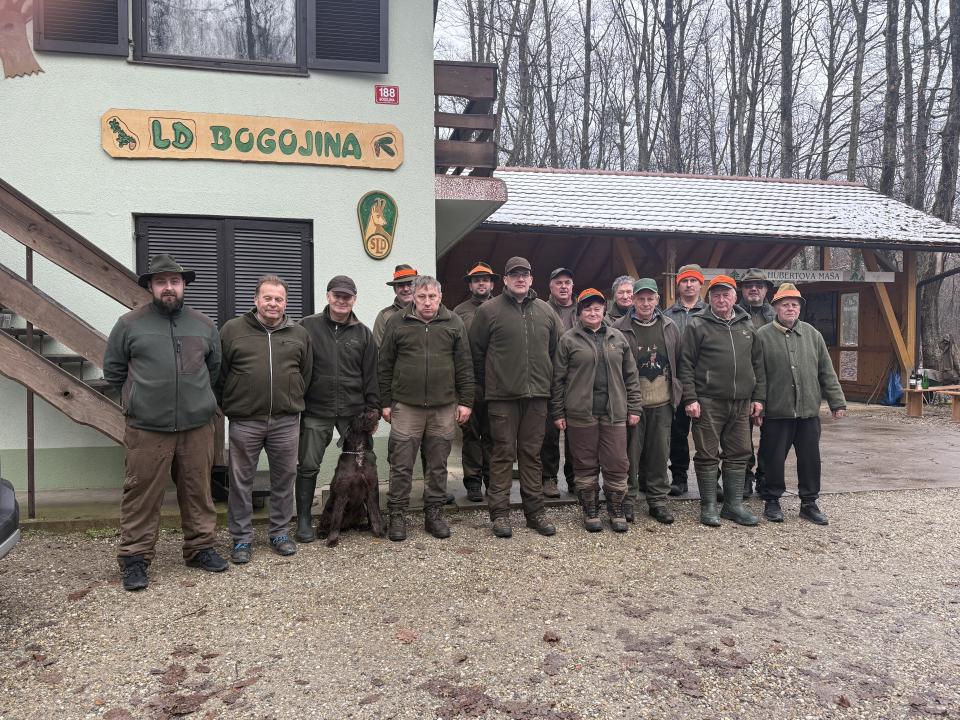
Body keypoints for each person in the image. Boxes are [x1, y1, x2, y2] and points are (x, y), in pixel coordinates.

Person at [104, 253, 227, 591]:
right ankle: (134, 557)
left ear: (184, 285)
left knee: (198, 490)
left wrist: (198, 400)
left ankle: (200, 548)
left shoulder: (204, 325)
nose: (168, 287)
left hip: (196, 426)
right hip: (147, 428)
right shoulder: (129, 324)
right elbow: (114, 370)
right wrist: (138, 400)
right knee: (141, 492)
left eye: (174, 281)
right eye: (161, 282)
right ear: (151, 287)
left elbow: (214, 370)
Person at [217, 275, 313, 563]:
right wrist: (229, 404)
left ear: (286, 303)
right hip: (245, 420)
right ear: (256, 300)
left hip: (285, 420)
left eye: (279, 299)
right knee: (240, 481)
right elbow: (220, 373)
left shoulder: (299, 334)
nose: (273, 303)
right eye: (268, 298)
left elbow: (305, 373)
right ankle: (241, 539)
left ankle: (279, 533)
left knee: (284, 478)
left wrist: (291, 397)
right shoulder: (233, 330)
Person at [469, 256, 562, 538]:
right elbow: (475, 353)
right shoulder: (488, 311)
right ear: (506, 279)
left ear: (531, 279)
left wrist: (549, 388)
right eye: (514, 275)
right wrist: (487, 387)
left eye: (525, 274)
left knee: (532, 455)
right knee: (502, 455)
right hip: (502, 398)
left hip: (537, 397)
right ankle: (500, 515)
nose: (520, 279)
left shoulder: (546, 312)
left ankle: (535, 513)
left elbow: (556, 353)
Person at [379, 276, 474, 541]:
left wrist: (466, 401)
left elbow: (465, 365)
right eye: (422, 297)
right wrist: (384, 402)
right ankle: (397, 514)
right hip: (406, 406)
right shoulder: (397, 322)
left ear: (440, 297)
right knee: (401, 464)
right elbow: (384, 364)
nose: (427, 302)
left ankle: (434, 513)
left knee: (437, 464)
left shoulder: (454, 322)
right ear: (413, 297)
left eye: (432, 296)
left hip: (443, 406)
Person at [295, 275, 379, 543]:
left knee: (364, 463)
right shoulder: (306, 327)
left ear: (354, 299)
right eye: (337, 295)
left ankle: (368, 515)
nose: (342, 300)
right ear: (328, 296)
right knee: (308, 465)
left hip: (353, 412)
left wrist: (373, 410)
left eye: (347, 296)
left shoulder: (363, 333)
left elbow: (371, 375)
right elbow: (296, 367)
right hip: (316, 408)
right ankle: (304, 520)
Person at [678, 274, 765, 527]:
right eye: (715, 295)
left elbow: (758, 364)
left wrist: (758, 397)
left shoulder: (747, 324)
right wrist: (690, 398)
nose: (721, 299)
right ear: (709, 298)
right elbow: (686, 364)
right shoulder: (697, 325)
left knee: (739, 453)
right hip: (708, 401)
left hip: (741, 402)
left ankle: (733, 505)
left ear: (735, 297)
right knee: (707, 454)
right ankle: (708, 506)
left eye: (726, 294)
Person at [551, 289, 641, 533]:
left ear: (604, 311)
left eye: (597, 308)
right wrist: (558, 412)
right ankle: (590, 509)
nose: (593, 312)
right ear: (579, 312)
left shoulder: (617, 338)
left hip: (614, 412)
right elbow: (558, 380)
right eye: (588, 308)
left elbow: (631, 376)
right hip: (581, 412)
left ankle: (616, 508)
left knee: (617, 461)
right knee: (584, 462)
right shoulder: (568, 340)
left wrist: (634, 406)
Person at [756, 283, 846, 525]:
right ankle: (772, 501)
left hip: (808, 413)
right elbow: (758, 374)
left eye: (794, 305)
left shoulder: (813, 335)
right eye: (785, 304)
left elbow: (826, 371)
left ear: (800, 308)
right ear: (776, 307)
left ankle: (809, 503)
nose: (790, 309)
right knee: (772, 459)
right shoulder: (762, 336)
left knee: (810, 460)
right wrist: (759, 404)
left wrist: (837, 401)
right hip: (777, 411)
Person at [613, 278, 682, 525]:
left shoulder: (670, 326)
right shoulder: (619, 328)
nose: (645, 303)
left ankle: (658, 501)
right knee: (629, 455)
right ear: (633, 300)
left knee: (659, 454)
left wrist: (679, 395)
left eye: (650, 298)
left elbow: (679, 361)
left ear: (657, 300)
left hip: (662, 403)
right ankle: (627, 500)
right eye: (640, 298)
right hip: (632, 404)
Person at [453, 262, 498, 503]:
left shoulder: (501, 307)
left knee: (494, 436)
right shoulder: (459, 312)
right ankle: (472, 482)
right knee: (470, 435)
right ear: (470, 285)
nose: (481, 283)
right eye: (477, 279)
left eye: (486, 279)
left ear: (492, 284)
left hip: (496, 383)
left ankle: (493, 481)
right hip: (469, 381)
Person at [663, 264, 707, 497]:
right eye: (684, 281)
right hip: (677, 385)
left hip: (706, 384)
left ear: (701, 284)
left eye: (693, 281)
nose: (689, 285)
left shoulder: (710, 312)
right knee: (677, 434)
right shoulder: (667, 316)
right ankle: (679, 477)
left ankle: (711, 480)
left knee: (708, 436)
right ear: (678, 285)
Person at [736, 268, 776, 497]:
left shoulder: (777, 314)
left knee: (771, 436)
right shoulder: (733, 313)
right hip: (743, 384)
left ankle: (765, 476)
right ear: (742, 289)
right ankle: (744, 476)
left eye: (759, 286)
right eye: (749, 285)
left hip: (773, 384)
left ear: (766, 289)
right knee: (741, 436)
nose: (754, 289)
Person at [541, 267, 577, 498]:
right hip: (549, 379)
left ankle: (575, 478)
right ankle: (549, 478)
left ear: (572, 286)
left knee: (577, 433)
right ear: (550, 286)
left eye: (567, 282)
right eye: (558, 282)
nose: (563, 286)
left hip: (577, 381)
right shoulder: (541, 309)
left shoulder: (584, 309)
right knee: (549, 434)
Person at [372, 264, 418, 347]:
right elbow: (377, 349)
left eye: (410, 284)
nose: (406, 289)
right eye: (401, 285)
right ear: (394, 290)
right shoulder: (384, 316)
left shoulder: (427, 312)